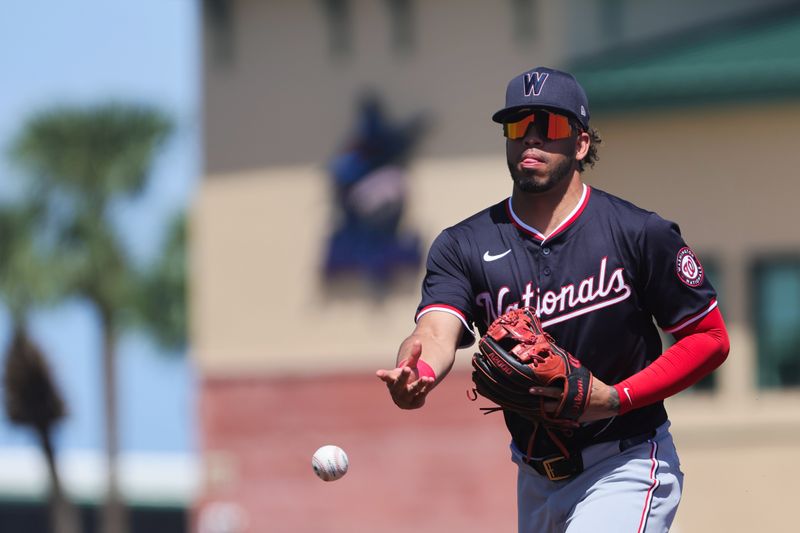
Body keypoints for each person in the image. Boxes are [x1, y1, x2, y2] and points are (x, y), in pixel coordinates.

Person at [376, 66, 730, 532]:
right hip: (535, 479)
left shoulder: (637, 232)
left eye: (551, 126)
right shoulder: (463, 244)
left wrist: (616, 397)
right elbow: (436, 331)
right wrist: (416, 370)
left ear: (581, 143)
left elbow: (709, 338)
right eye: (518, 125)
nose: (532, 138)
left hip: (626, 464)